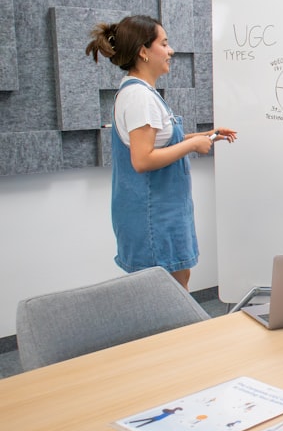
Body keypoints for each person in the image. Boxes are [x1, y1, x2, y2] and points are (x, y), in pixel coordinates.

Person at [85, 15, 237, 290]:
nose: (171, 51)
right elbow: (142, 160)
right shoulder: (139, 98)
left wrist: (204, 136)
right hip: (153, 214)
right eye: (164, 44)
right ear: (143, 51)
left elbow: (158, 143)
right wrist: (191, 146)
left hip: (161, 210)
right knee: (166, 291)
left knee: (177, 281)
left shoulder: (141, 93)